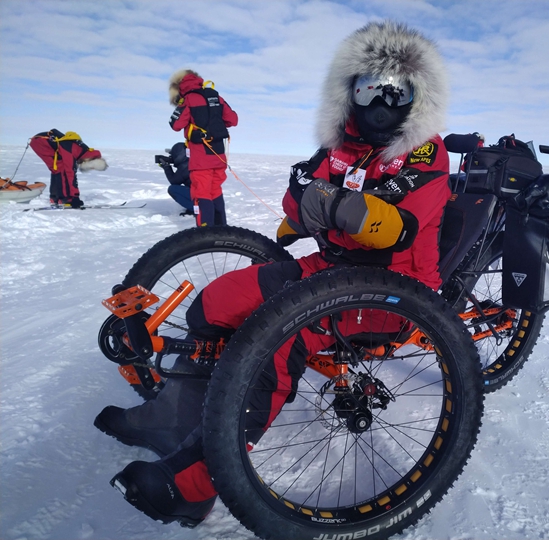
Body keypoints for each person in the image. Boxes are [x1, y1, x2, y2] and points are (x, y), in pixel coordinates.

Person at [95, 20, 450, 527]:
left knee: (277, 336)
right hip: (328, 269)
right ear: (349, 92)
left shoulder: (423, 151)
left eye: (397, 91)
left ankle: (196, 483)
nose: (381, 101)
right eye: (369, 87)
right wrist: (321, 201)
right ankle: (170, 420)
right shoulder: (341, 148)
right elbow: (298, 201)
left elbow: (390, 228)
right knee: (216, 301)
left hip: (391, 290)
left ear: (415, 98)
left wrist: (325, 200)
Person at [168, 69, 238, 227]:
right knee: (215, 191)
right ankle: (221, 230)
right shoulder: (216, 97)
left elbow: (176, 125)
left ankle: (205, 235)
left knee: (201, 194)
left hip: (201, 159)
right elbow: (233, 119)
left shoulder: (188, 100)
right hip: (219, 156)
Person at [29, 129, 107, 207]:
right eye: (92, 167)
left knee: (57, 169)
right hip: (40, 142)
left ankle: (56, 198)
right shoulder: (72, 150)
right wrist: (75, 197)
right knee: (62, 169)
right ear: (89, 161)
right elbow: (70, 173)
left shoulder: (82, 150)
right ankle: (64, 199)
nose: (91, 169)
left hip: (40, 141)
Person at [157, 142, 193, 215]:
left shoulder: (185, 166)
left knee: (172, 189)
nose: (171, 158)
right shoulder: (190, 162)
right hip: (205, 194)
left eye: (173, 155)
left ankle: (194, 208)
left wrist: (166, 167)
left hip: (200, 196)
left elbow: (174, 181)